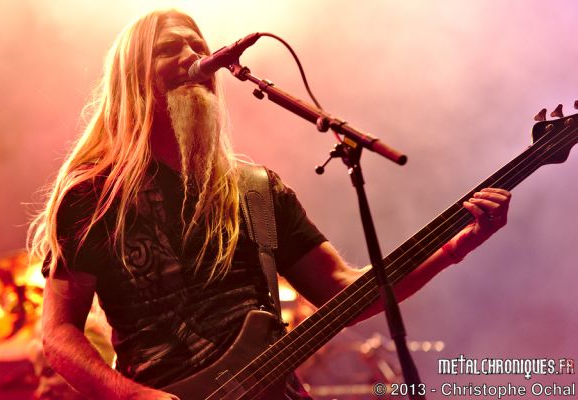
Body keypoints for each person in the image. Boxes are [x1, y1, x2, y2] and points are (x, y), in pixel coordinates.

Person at [28, 8, 511, 400]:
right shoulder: (95, 196)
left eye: (198, 46)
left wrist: (452, 250)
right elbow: (59, 333)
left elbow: (343, 293)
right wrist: (132, 396)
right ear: (132, 76)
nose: (194, 57)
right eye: (169, 49)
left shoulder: (255, 190)